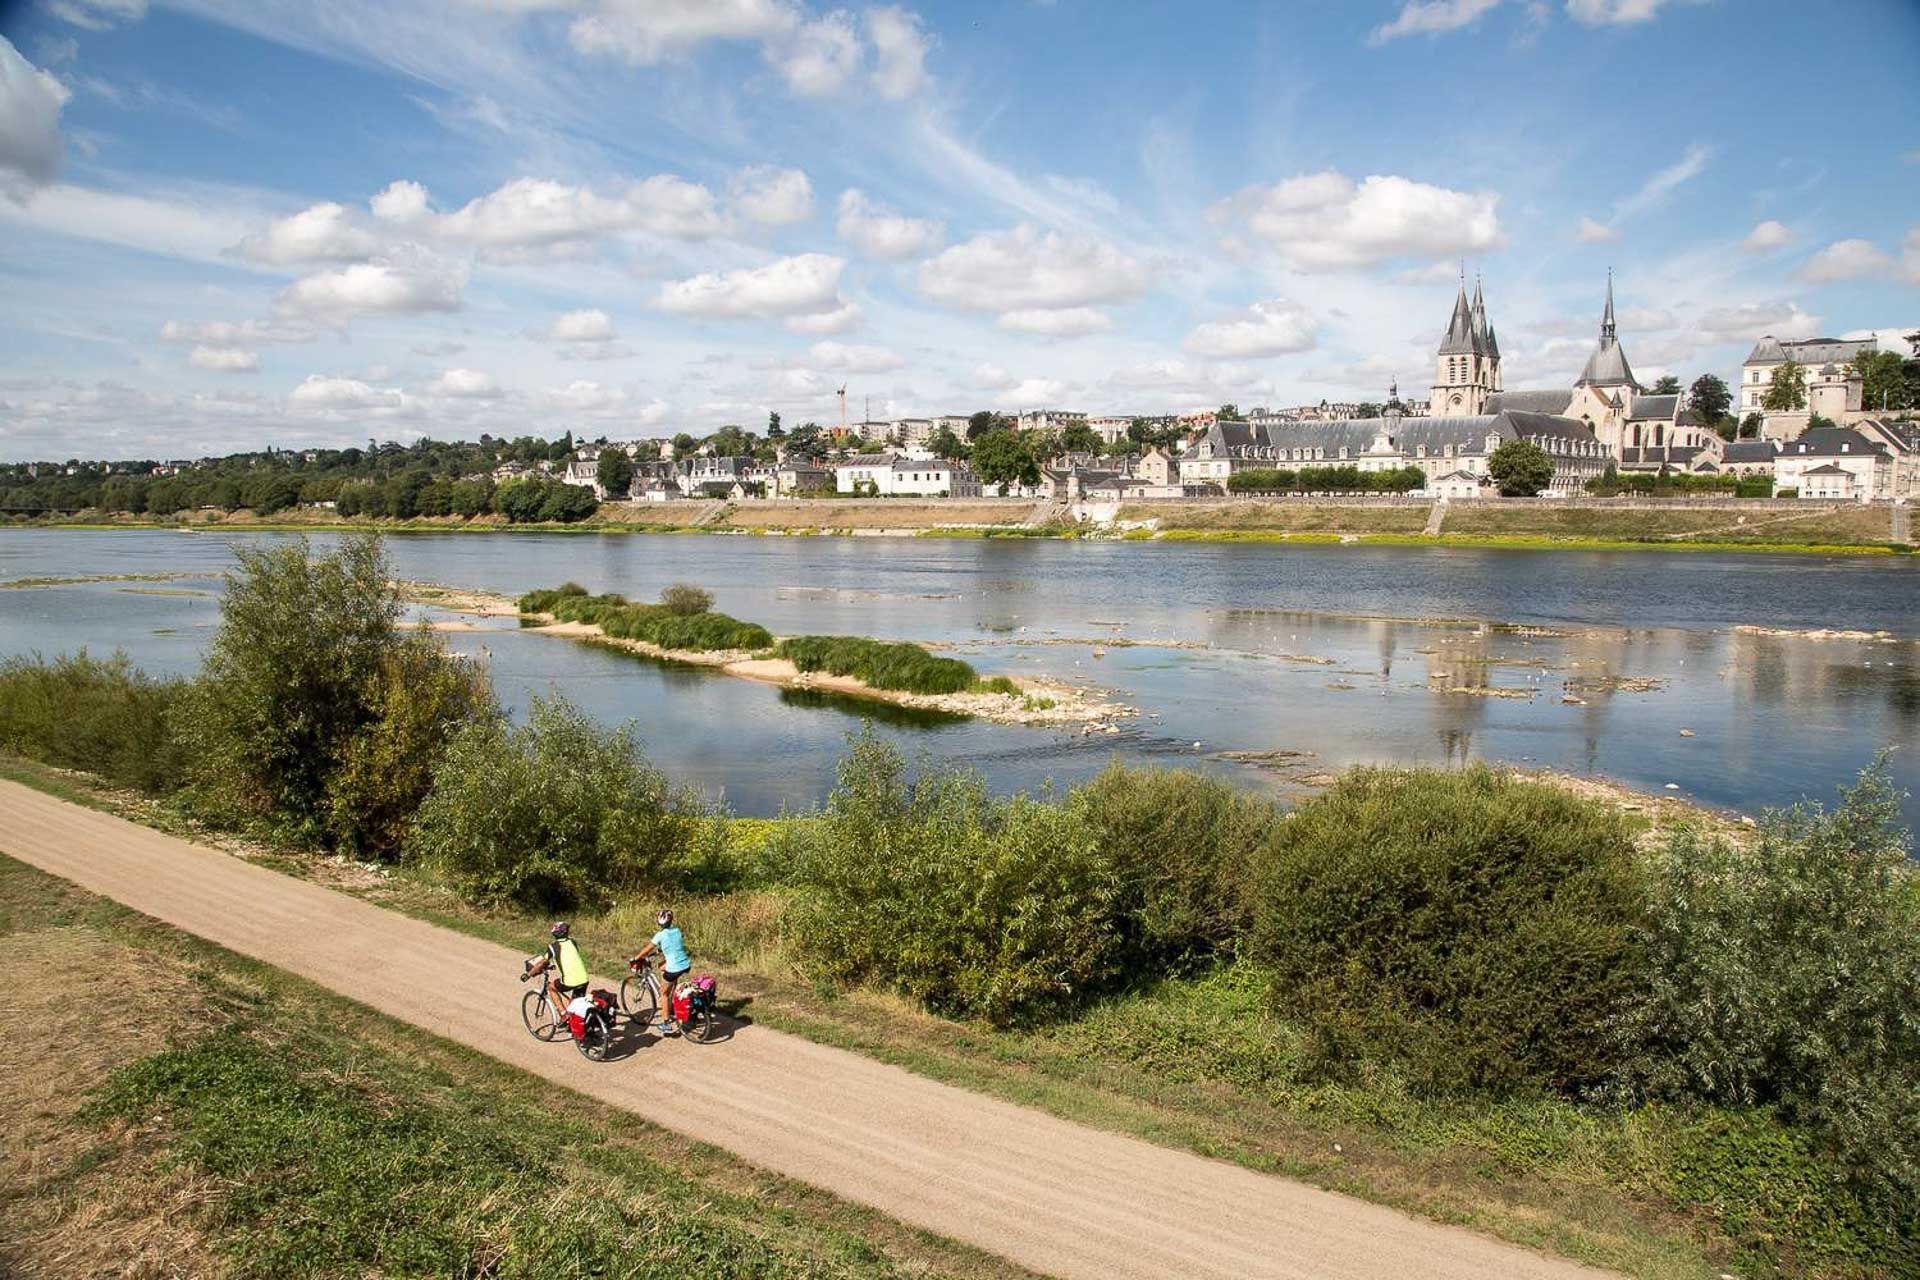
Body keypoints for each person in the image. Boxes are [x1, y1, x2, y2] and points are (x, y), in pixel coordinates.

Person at [630, 909, 691, 1035]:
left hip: (674, 967)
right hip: (684, 963)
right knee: (661, 966)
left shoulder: (660, 935)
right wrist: (659, 951)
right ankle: (672, 1003)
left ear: (659, 922)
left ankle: (666, 1023)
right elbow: (672, 945)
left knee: (663, 993)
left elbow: (646, 950)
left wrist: (636, 958)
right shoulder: (677, 930)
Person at [524, 921, 590, 1024]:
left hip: (569, 981)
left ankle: (563, 1014)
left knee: (551, 987)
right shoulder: (573, 942)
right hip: (584, 978)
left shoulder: (553, 947)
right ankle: (575, 1022)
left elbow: (541, 963)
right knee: (575, 1003)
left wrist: (529, 974)